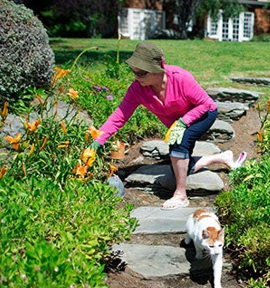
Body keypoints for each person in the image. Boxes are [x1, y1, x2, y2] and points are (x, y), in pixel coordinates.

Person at [91, 42, 247, 210]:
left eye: (142, 73)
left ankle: (181, 196)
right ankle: (222, 158)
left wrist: (183, 122)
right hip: (178, 124)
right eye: (134, 72)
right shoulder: (138, 89)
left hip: (203, 114)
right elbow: (119, 116)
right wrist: (97, 141)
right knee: (178, 169)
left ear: (159, 67)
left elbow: (206, 104)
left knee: (179, 149)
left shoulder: (180, 78)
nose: (137, 77)